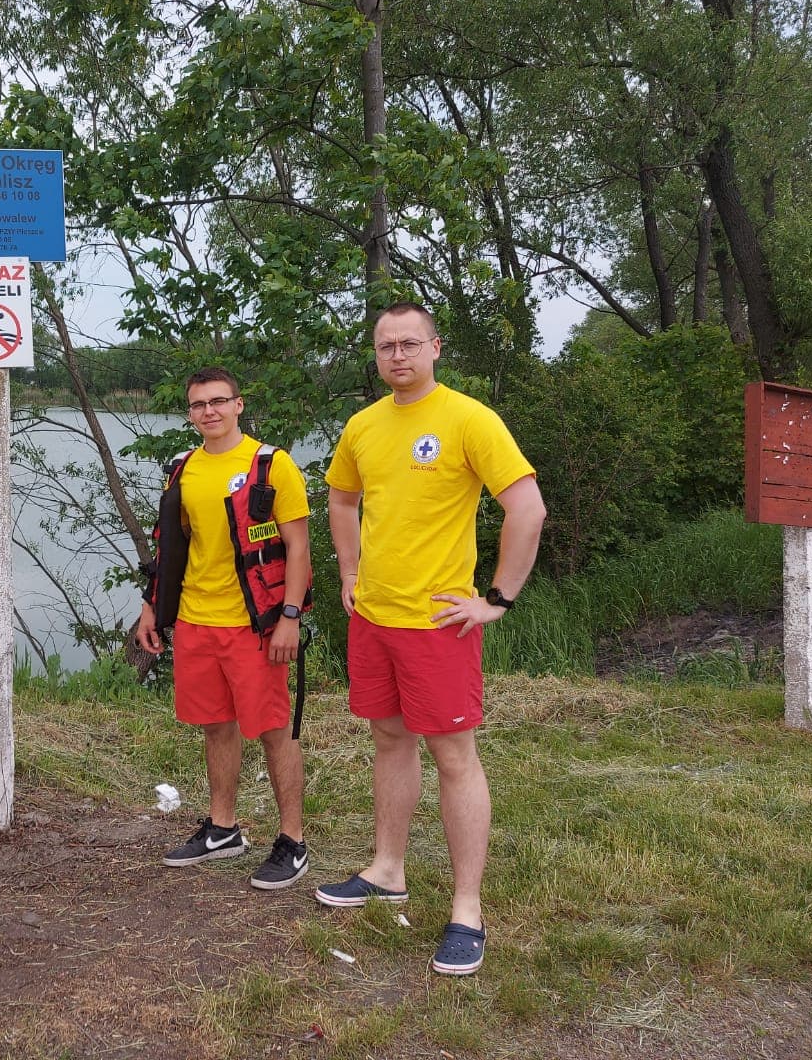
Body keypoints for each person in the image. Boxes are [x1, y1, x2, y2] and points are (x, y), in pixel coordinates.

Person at [316, 303, 545, 977]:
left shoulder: (469, 419)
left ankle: (466, 910)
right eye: (385, 346)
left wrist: (496, 598)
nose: (397, 355)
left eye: (409, 343)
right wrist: (351, 572)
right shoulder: (363, 425)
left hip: (438, 623)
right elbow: (340, 499)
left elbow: (526, 508)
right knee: (388, 738)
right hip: (375, 618)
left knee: (455, 757)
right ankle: (387, 870)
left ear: (436, 347)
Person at [136, 367, 314, 890]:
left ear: (239, 404)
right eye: (198, 405)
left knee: (274, 729)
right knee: (216, 725)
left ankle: (292, 841)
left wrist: (290, 615)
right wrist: (152, 607)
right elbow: (171, 549)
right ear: (189, 412)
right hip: (195, 620)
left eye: (218, 401)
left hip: (255, 626)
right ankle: (223, 828)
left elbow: (299, 549)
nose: (208, 412)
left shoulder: (271, 465)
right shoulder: (183, 469)